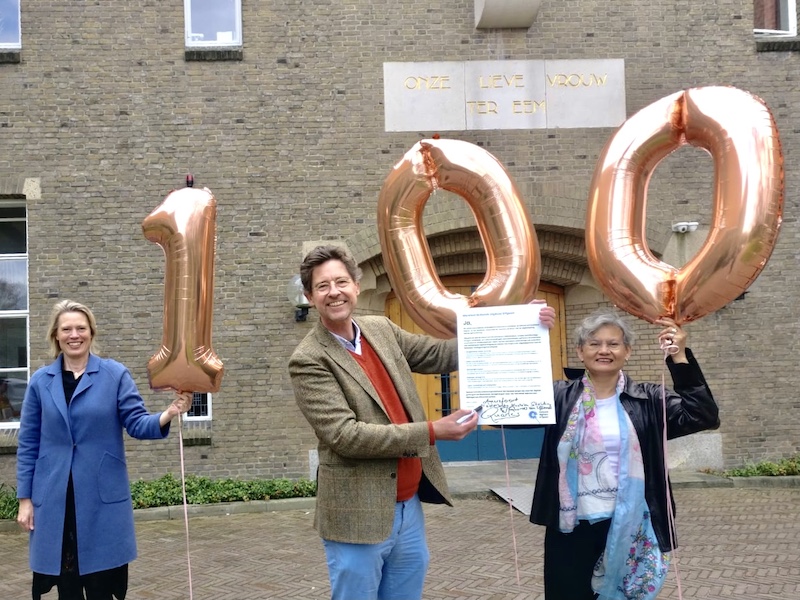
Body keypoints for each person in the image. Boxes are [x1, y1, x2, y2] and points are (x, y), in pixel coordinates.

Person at [289, 245, 554, 600]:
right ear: (309, 296)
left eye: (341, 281)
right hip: (357, 513)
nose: (334, 292)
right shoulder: (308, 359)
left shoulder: (379, 328)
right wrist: (434, 431)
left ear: (356, 285)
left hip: (407, 504)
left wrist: (516, 321)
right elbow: (345, 436)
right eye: (323, 286)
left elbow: (438, 354)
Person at [529, 309, 720, 600]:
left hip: (632, 522)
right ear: (580, 352)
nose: (603, 350)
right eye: (594, 343)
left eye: (613, 343)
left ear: (627, 352)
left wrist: (679, 357)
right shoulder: (557, 396)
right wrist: (529, 335)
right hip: (571, 525)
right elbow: (505, 412)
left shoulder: (649, 398)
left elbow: (703, 415)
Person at [16, 299, 192, 600]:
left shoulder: (114, 375)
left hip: (100, 498)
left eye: (81, 328)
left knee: (102, 587)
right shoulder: (39, 382)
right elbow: (28, 442)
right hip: (56, 500)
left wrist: (169, 413)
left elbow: (136, 423)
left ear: (91, 333)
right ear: (56, 336)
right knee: (66, 588)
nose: (74, 335)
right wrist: (25, 500)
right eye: (67, 329)